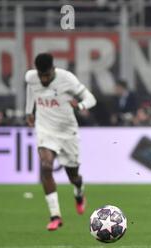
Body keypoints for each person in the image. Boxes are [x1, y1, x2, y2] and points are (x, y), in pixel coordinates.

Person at [25, 53, 97, 231]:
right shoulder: (31, 77)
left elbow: (91, 99)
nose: (43, 79)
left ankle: (79, 193)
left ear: (52, 69)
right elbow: (31, 91)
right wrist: (29, 112)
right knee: (46, 166)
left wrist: (79, 106)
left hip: (67, 132)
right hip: (45, 129)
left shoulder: (67, 79)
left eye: (46, 75)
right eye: (40, 75)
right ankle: (55, 215)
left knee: (73, 176)